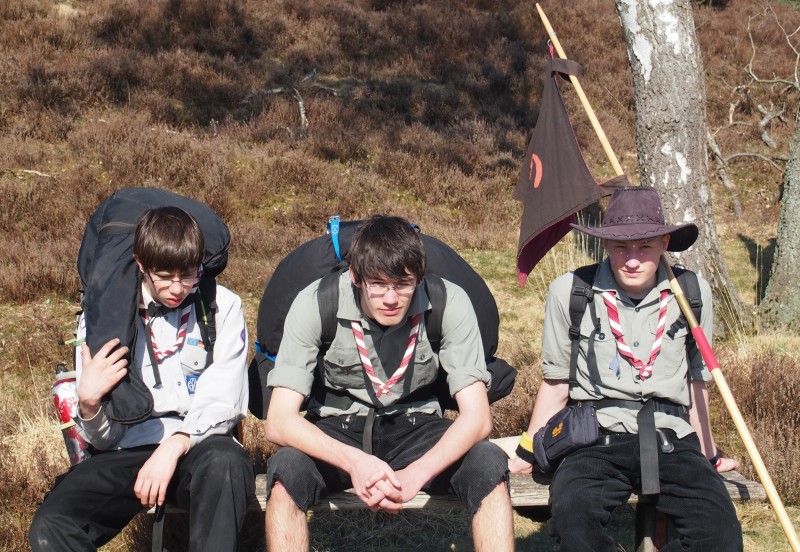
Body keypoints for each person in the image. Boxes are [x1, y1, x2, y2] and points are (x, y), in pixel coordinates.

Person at [509, 186, 743, 551]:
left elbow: (697, 384)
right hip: (593, 441)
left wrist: (709, 455)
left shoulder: (692, 294)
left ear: (665, 242)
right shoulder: (571, 291)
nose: (632, 260)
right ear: (605, 244)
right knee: (573, 522)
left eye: (644, 247)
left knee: (721, 536)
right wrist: (527, 453)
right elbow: (555, 385)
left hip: (672, 440)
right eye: (621, 247)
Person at [263, 215, 514, 551]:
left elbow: (478, 418)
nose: (391, 298)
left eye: (403, 284)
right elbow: (279, 421)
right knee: (286, 472)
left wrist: (417, 474)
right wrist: (355, 462)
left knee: (489, 463)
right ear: (355, 276)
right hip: (337, 427)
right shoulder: (315, 303)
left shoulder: (449, 302)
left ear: (419, 278)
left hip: (417, 425)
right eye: (378, 285)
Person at [29, 207, 254, 551]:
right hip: (127, 450)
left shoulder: (221, 306)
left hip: (201, 446)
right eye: (164, 276)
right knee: (53, 524)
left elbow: (225, 400)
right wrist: (89, 404)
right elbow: (105, 440)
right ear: (140, 263)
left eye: (188, 274)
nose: (178, 288)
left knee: (227, 463)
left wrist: (175, 445)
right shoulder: (104, 318)